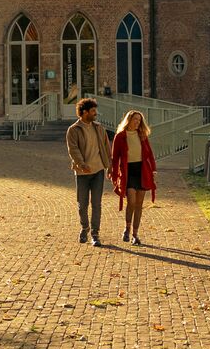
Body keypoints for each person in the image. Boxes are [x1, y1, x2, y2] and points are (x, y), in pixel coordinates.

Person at [65, 97, 111, 246]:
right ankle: (84, 228)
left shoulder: (99, 128)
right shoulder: (73, 130)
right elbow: (73, 149)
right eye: (93, 111)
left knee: (96, 203)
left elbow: (106, 147)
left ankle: (95, 234)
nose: (95, 113)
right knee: (82, 204)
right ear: (84, 112)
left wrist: (109, 165)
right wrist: (82, 164)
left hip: (98, 171)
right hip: (82, 172)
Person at [109, 109, 159, 245]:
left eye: (139, 120)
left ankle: (135, 234)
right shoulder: (120, 136)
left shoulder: (142, 135)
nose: (137, 122)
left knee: (139, 205)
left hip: (142, 171)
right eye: (135, 119)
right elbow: (115, 158)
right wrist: (113, 174)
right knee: (131, 201)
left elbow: (149, 154)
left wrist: (153, 169)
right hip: (128, 171)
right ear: (129, 120)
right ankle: (127, 228)